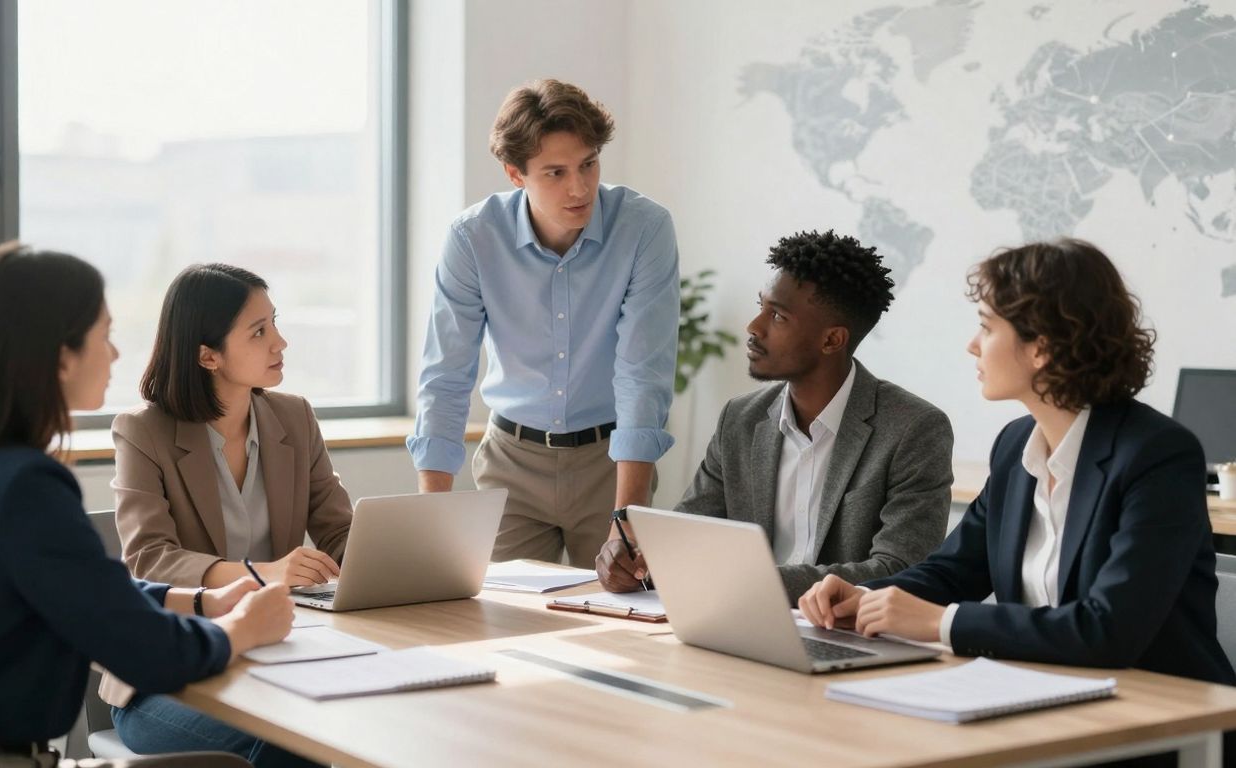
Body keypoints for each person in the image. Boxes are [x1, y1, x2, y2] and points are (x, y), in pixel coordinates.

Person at [0, 242, 294, 768]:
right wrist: (243, 629)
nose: (114, 354)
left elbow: (88, 590)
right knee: (282, 749)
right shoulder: (24, 486)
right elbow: (146, 651)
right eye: (104, 335)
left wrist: (204, 602)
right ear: (60, 357)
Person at [798, 239, 1236, 688]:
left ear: (1041, 347)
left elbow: (1108, 629)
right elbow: (955, 570)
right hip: (1046, 688)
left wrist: (940, 623)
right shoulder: (1015, 447)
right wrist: (862, 597)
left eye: (986, 328)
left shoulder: (1157, 455)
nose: (972, 345)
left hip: (1165, 708)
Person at [408, 79, 680, 568]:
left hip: (609, 463)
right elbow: (446, 375)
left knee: (618, 609)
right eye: (556, 172)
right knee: (493, 610)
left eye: (588, 164)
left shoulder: (644, 228)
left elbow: (643, 374)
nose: (579, 188)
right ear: (515, 174)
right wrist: (432, 517)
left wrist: (626, 517)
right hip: (511, 462)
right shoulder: (473, 238)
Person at [596, 230, 954, 600]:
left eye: (778, 316)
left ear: (832, 340)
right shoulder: (740, 419)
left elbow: (900, 570)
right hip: (737, 617)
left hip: (843, 627)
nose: (753, 327)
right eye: (761, 306)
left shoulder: (913, 429)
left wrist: (749, 582)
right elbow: (686, 537)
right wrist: (638, 561)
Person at [105, 264, 352, 763]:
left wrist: (398, 562)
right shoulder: (143, 431)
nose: (280, 342)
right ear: (207, 355)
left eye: (274, 323)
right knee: (296, 739)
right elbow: (150, 560)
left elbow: (339, 531)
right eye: (259, 331)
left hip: (278, 654)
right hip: (168, 678)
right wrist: (262, 574)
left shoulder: (294, 416)